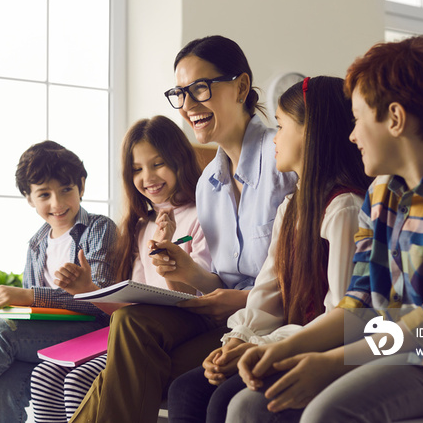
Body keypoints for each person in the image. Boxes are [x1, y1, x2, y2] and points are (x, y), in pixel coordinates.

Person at [225, 34, 423, 423]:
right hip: (402, 349)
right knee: (249, 406)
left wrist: (334, 362)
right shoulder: (381, 195)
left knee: (327, 412)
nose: (352, 135)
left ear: (394, 118)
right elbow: (360, 305)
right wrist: (285, 348)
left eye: (357, 119)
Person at [69, 35, 298, 423]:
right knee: (129, 321)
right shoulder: (210, 181)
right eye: (180, 93)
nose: (188, 106)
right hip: (219, 317)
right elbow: (217, 282)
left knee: (133, 369)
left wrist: (237, 301)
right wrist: (184, 270)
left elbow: (303, 281)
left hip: (269, 321)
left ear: (241, 87)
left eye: (201, 89)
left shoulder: (284, 156)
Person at [167, 76, 372, 423]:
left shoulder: (345, 208)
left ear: (312, 133)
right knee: (185, 390)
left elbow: (342, 315)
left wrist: (262, 347)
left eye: (281, 126)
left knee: (225, 401)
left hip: (319, 347)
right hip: (281, 341)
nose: (275, 138)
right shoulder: (290, 207)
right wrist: (236, 342)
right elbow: (268, 290)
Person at [28, 115, 213, 422]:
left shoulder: (200, 215)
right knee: (45, 376)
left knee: (78, 379)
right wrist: (87, 289)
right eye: (137, 169)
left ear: (180, 160)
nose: (148, 177)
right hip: (136, 329)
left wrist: (170, 261)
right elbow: (129, 307)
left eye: (158, 164)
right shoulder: (140, 226)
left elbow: (201, 299)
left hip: (185, 328)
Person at [0, 141, 117, 423]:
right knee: (4, 388)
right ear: (29, 198)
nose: (57, 203)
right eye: (44, 194)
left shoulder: (98, 228)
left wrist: (31, 296)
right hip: (49, 338)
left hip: (91, 334)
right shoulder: (36, 244)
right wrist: (22, 302)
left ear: (81, 186)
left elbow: (101, 307)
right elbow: (34, 316)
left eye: (66, 190)